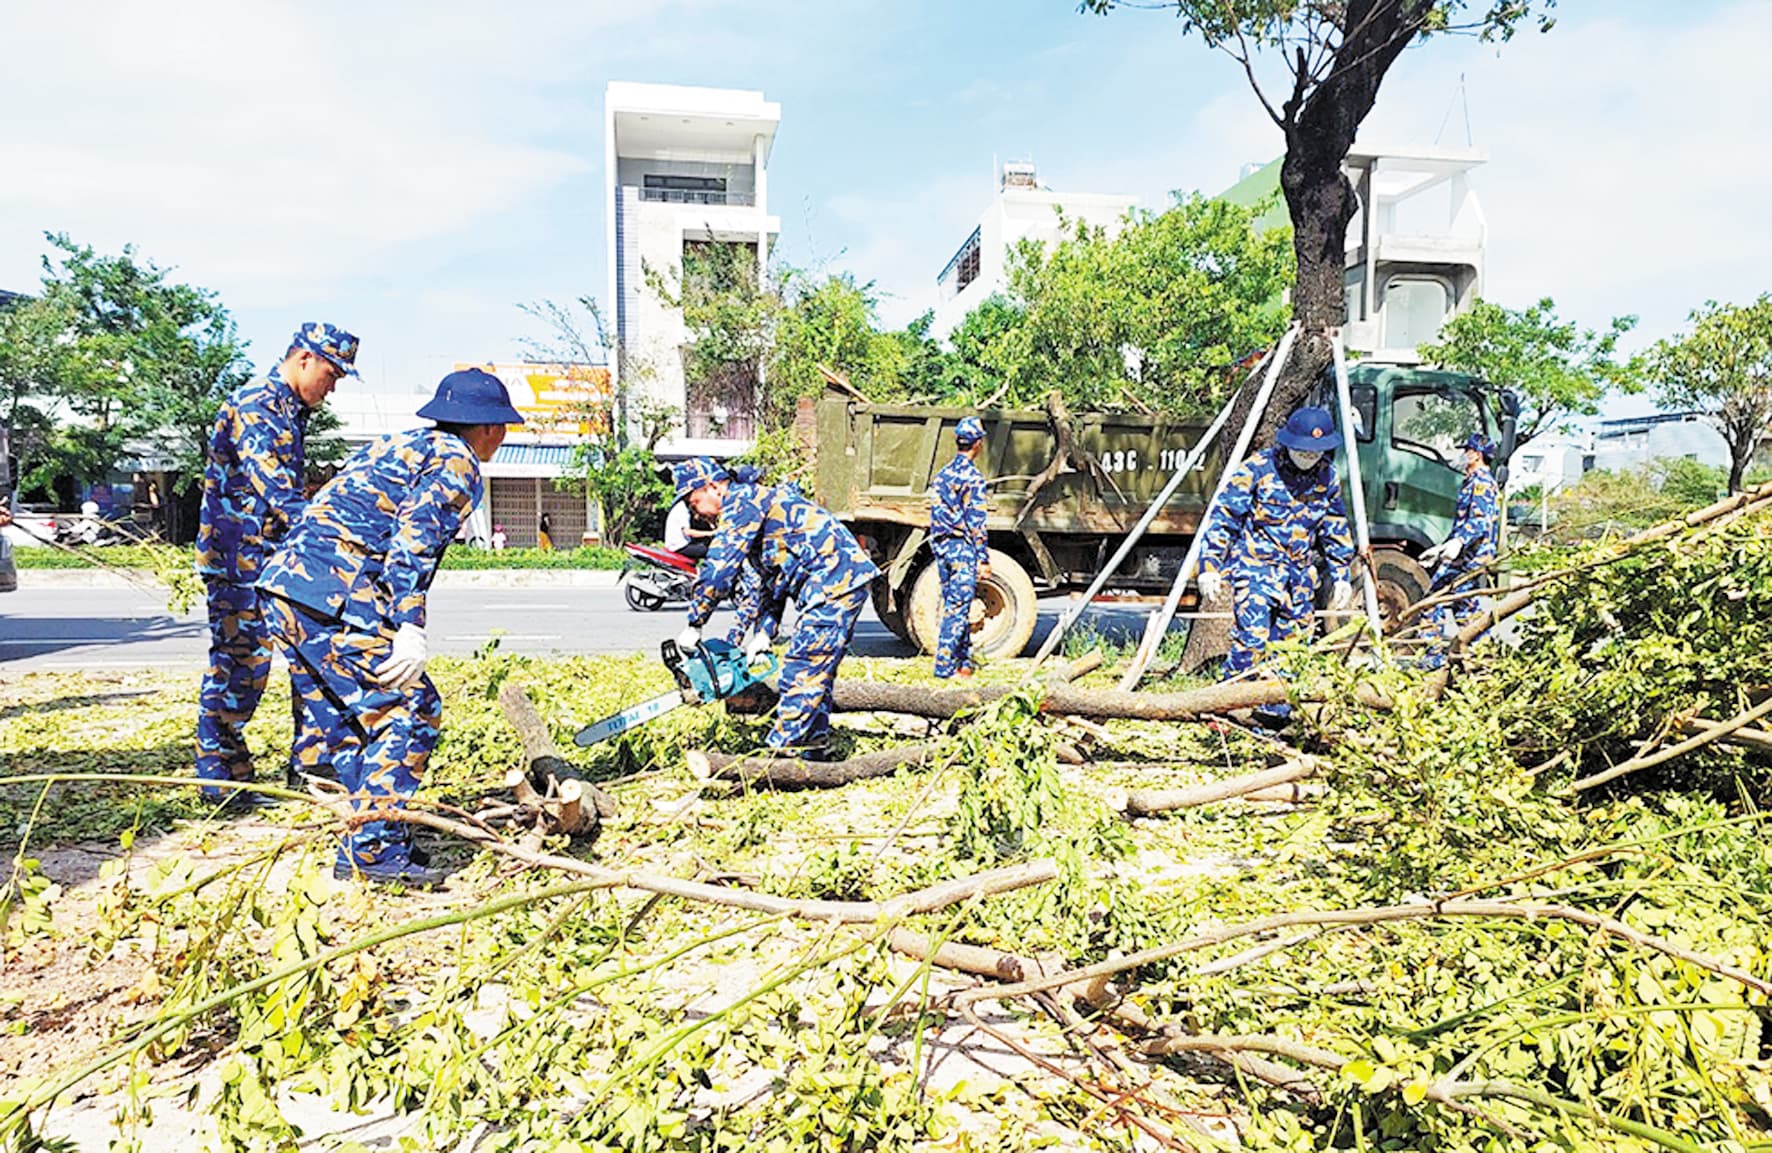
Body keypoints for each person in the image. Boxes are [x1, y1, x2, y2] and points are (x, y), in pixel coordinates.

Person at [257, 368, 523, 886]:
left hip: (286, 590)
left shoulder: (403, 444)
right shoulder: (457, 462)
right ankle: (374, 849)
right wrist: (408, 625)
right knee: (410, 708)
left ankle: (371, 837)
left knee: (353, 722)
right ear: (491, 428)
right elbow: (412, 543)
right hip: (332, 594)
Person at [194, 322, 359, 807]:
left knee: (313, 657)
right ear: (305, 359)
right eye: (331, 375)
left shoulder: (290, 409)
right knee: (240, 667)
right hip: (238, 561)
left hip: (277, 558)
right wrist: (333, 534)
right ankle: (222, 782)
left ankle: (312, 771)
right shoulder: (257, 404)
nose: (331, 389)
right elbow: (277, 490)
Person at [673, 458, 879, 756]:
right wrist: (763, 633)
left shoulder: (741, 503)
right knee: (817, 668)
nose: (696, 514)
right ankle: (813, 746)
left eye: (694, 503)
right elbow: (770, 582)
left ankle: (779, 753)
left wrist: (695, 622)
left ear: (713, 487)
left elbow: (718, 570)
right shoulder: (754, 509)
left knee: (802, 667)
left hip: (834, 580)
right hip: (833, 581)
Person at [1197, 407, 1356, 711]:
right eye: (1304, 451)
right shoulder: (1257, 469)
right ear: (1289, 443)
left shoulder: (1327, 476)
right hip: (1257, 569)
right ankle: (1229, 709)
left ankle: (1276, 715)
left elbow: (1334, 526)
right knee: (1252, 641)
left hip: (1300, 576)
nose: (1310, 457)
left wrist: (1340, 574)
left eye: (1316, 452)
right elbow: (1224, 518)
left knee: (1293, 648)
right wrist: (1210, 565)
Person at [1421, 433, 1502, 662]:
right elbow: (1463, 524)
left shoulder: (1481, 482)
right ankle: (1482, 655)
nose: (1463, 455)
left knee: (1433, 600)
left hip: (1473, 555)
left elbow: (1480, 521)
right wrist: (1441, 549)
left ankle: (1433, 658)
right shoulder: (1472, 480)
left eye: (1467, 451)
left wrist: (1459, 543)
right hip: (1468, 553)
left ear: (1476, 455)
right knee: (1465, 606)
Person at [928, 416, 991, 678]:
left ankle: (963, 663)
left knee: (956, 605)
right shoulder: (973, 478)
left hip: (942, 547)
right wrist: (983, 558)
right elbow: (976, 522)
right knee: (957, 610)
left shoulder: (942, 475)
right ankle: (944, 669)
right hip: (961, 549)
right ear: (977, 444)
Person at [663, 492, 715, 561]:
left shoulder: (684, 507)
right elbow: (687, 532)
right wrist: (710, 533)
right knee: (709, 551)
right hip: (678, 547)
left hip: (680, 544)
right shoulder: (681, 510)